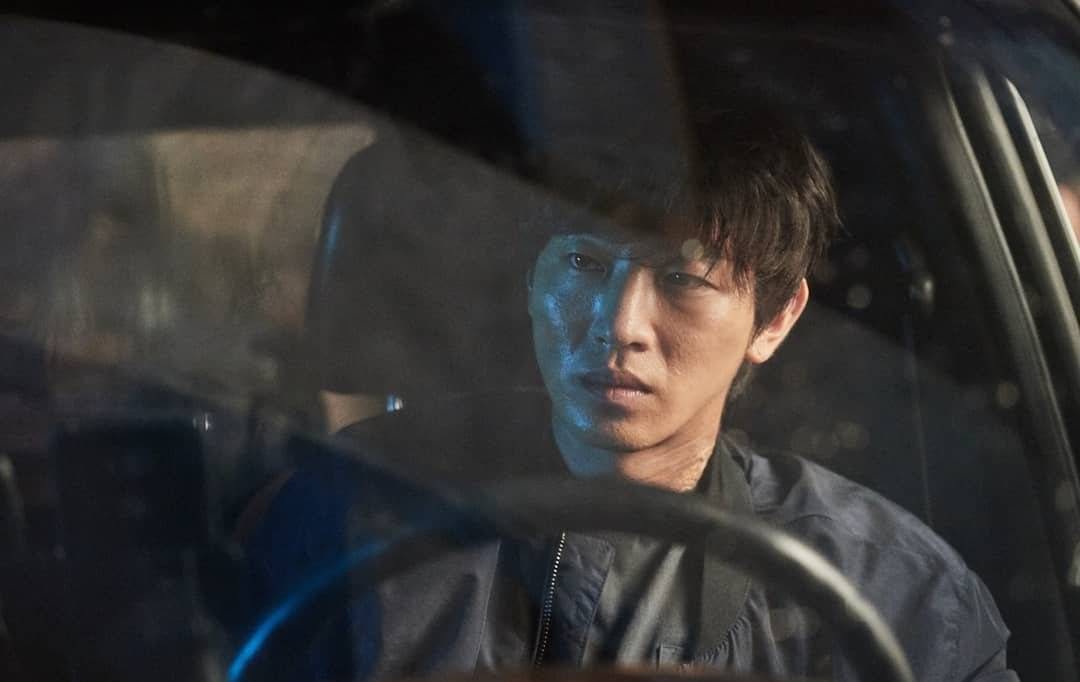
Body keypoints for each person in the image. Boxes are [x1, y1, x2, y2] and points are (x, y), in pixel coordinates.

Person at [240, 101, 1019, 681]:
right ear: (533, 278)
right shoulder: (354, 519)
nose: (620, 325)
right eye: (583, 263)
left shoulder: (892, 594)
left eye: (683, 279)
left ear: (775, 319)